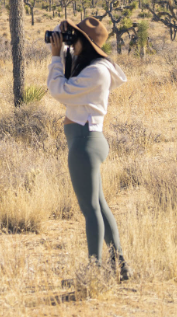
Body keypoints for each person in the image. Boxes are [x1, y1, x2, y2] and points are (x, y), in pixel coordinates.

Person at [47, 17, 129, 280]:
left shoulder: (96, 72)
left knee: (90, 209)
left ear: (89, 43)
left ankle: (94, 271)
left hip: (85, 141)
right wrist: (65, 50)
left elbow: (59, 89)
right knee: (100, 206)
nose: (72, 39)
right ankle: (120, 265)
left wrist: (55, 57)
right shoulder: (93, 67)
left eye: (76, 36)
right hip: (85, 139)